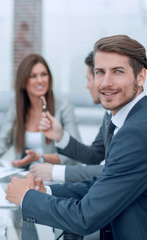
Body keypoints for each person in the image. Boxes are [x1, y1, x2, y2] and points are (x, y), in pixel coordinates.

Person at [6, 35, 147, 239]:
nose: (105, 83)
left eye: (118, 72)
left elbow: (84, 218)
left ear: (141, 77)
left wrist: (27, 199)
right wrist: (47, 192)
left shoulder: (138, 132)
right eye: (99, 72)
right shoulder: (130, 121)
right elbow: (101, 182)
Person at [0, 53, 81, 166]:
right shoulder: (15, 108)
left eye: (44, 74)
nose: (40, 80)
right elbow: (1, 145)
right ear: (23, 82)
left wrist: (39, 158)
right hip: (27, 175)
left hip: (57, 177)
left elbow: (75, 153)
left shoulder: (64, 107)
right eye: (33, 76)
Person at [29, 51, 108, 183]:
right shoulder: (110, 116)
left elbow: (114, 171)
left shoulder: (131, 122)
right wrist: (60, 136)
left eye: (88, 80)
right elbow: (93, 156)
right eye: (33, 76)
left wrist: (54, 171)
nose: (87, 86)